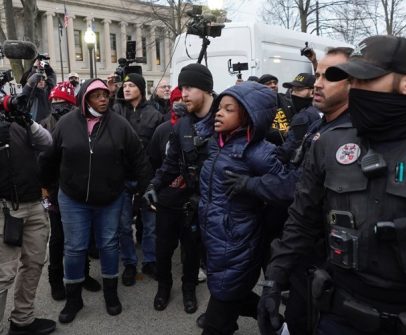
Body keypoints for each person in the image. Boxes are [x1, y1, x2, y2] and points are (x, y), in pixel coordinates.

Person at [257, 35, 406, 335]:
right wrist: (274, 280)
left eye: (366, 80)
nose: (356, 90)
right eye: (351, 81)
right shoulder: (329, 144)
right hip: (340, 318)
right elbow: (301, 222)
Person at [223, 47, 352, 335]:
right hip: (303, 250)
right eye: (317, 74)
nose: (317, 83)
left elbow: (297, 187)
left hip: (333, 259)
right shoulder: (319, 125)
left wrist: (251, 184)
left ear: (355, 82)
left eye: (329, 76)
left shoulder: (351, 137)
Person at [39, 78, 151, 323]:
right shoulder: (66, 124)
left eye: (105, 94)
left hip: (110, 198)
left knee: (109, 245)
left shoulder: (120, 125)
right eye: (96, 95)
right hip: (72, 198)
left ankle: (111, 294)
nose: (103, 98)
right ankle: (73, 299)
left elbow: (139, 158)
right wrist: (46, 186)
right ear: (84, 98)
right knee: (75, 247)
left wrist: (147, 188)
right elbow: (49, 157)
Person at [198, 81, 284, 335]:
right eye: (219, 108)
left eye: (229, 109)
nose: (219, 113)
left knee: (218, 316)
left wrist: (252, 185)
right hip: (214, 238)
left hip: (238, 244)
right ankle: (272, 320)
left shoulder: (260, 152)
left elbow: (289, 187)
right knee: (233, 294)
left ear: (248, 115)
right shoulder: (217, 143)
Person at [145, 63, 215, 315]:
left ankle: (188, 289)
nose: (183, 93)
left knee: (192, 252)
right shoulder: (181, 125)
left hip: (202, 203)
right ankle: (163, 287)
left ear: (206, 89)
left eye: (189, 87)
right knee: (163, 249)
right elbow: (171, 163)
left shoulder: (223, 121)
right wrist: (155, 184)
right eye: (181, 87)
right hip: (170, 203)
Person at [40, 82, 101, 301]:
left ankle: (82, 274)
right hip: (55, 191)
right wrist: (46, 190)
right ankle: (55, 279)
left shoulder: (83, 124)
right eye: (54, 101)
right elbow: (42, 162)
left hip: (78, 189)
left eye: (62, 102)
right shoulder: (43, 125)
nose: (57, 106)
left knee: (80, 236)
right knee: (58, 238)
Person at [0, 104, 56, 334]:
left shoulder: (15, 121)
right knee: (3, 274)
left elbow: (47, 143)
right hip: (5, 208)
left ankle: (22, 320)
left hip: (34, 204)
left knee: (34, 263)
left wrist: (27, 121)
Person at [113, 73, 164, 286]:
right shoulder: (115, 111)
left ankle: (150, 261)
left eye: (131, 85)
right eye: (124, 85)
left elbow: (159, 148)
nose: (126, 89)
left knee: (151, 224)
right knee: (124, 225)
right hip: (121, 177)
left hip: (147, 177)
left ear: (141, 89)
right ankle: (130, 263)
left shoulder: (154, 114)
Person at [276, 72, 320, 163]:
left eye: (299, 89)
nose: (293, 94)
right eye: (292, 89)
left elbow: (289, 149)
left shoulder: (302, 117)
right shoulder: (324, 109)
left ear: (313, 92)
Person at [258, 74, 294, 146]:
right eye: (268, 84)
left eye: (275, 82)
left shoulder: (286, 100)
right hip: (269, 146)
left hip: (289, 144)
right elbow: (261, 128)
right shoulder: (258, 104)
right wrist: (284, 133)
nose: (273, 85)